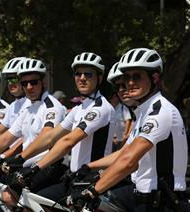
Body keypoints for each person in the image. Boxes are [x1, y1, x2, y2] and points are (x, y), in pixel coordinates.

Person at [75, 48, 190, 212]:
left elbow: (129, 161)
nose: (129, 83)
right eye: (126, 77)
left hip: (163, 206)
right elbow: (123, 153)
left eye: (137, 77)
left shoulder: (161, 112)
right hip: (145, 199)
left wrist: (93, 190)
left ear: (154, 78)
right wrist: (89, 167)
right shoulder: (144, 111)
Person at [14, 52, 115, 202]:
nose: (82, 78)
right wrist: (19, 158)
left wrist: (36, 167)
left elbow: (68, 141)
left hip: (91, 179)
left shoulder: (101, 108)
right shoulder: (78, 109)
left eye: (88, 74)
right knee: (32, 203)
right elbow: (50, 136)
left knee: (34, 204)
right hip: (74, 177)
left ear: (99, 78)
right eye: (78, 74)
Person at [0, 58, 67, 194]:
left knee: (7, 195)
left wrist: (18, 158)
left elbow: (45, 138)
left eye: (33, 82)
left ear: (43, 82)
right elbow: (7, 137)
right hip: (27, 164)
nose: (29, 87)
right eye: (25, 83)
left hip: (47, 165)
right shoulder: (28, 108)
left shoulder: (52, 107)